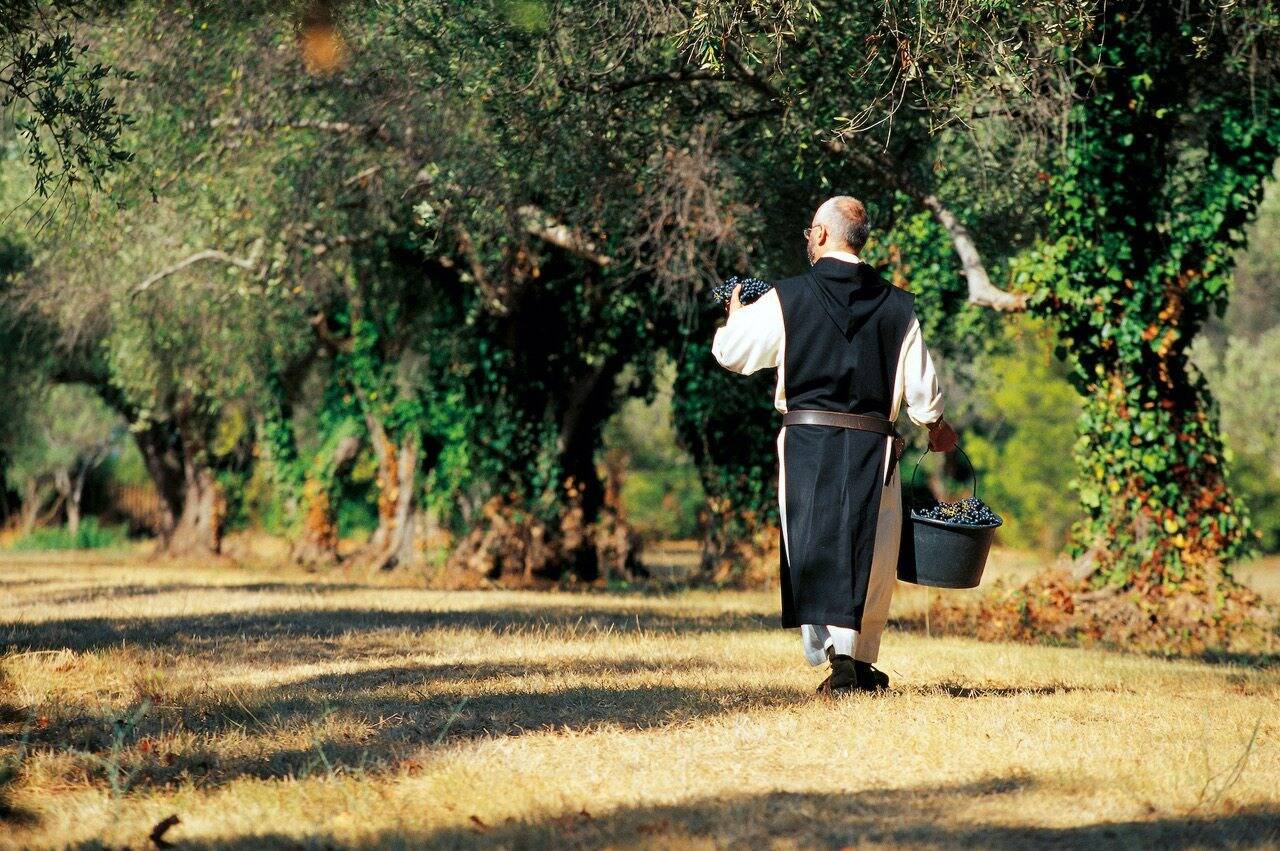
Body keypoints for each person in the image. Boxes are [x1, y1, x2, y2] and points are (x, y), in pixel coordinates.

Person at [711, 196, 956, 695]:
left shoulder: (786, 297)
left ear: (822, 235)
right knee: (872, 554)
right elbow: (924, 397)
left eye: (809, 232)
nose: (807, 239)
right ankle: (857, 663)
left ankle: (837, 660)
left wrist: (737, 314)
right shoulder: (898, 304)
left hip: (806, 443)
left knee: (814, 544)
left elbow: (732, 354)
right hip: (874, 448)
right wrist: (937, 428)